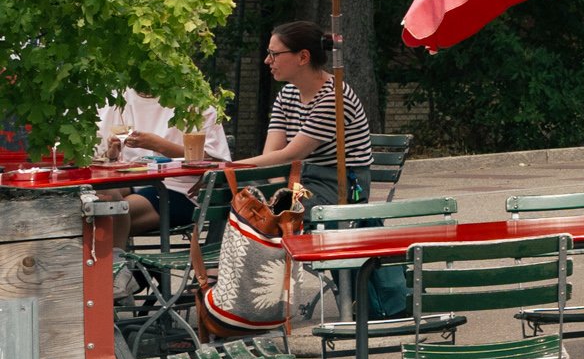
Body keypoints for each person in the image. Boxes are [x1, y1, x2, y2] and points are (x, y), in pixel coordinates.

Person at [217, 20, 376, 208]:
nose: (267, 60)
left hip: (336, 188)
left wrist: (226, 169)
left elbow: (289, 155)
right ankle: (225, 238)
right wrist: (277, 192)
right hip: (298, 182)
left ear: (303, 57)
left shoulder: (335, 98)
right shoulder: (287, 95)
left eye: (274, 54)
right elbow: (272, 156)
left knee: (235, 187)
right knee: (227, 189)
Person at [97, 90, 230, 236]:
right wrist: (112, 154)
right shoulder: (120, 96)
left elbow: (217, 160)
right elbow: (100, 156)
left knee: (108, 215)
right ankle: (111, 255)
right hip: (134, 180)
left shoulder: (195, 101)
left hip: (180, 188)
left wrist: (158, 145)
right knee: (99, 199)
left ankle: (114, 257)